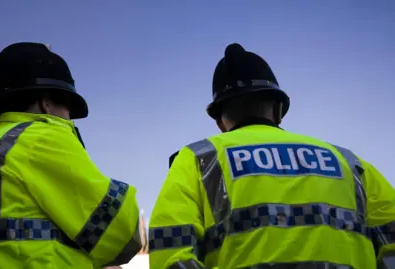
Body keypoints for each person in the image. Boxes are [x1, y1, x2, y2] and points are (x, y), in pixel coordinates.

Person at [149, 43, 395, 269]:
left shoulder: (198, 158)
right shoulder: (350, 162)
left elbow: (170, 250)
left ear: (220, 121)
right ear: (278, 110)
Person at [0, 42, 142, 269]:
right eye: (68, 110)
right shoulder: (40, 138)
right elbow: (122, 234)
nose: (69, 119)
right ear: (47, 103)